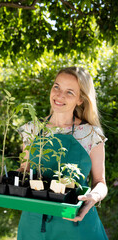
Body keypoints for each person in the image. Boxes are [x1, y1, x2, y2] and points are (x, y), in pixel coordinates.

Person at [17, 67, 108, 240]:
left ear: (80, 99)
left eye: (69, 92)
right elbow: (24, 173)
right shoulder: (32, 129)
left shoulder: (90, 134)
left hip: (76, 224)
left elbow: (100, 182)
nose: (59, 95)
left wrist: (93, 196)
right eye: (57, 86)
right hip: (34, 224)